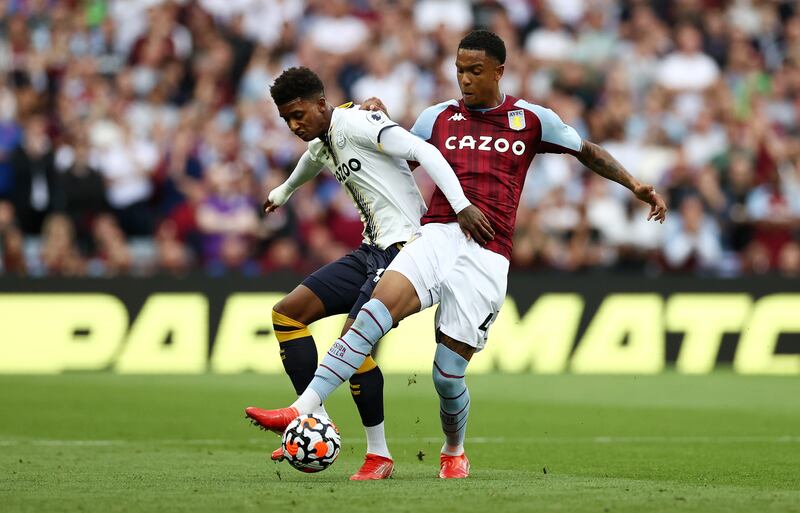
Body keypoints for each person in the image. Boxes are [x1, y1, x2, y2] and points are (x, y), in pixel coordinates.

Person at [246, 30, 667, 479]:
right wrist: (371, 120)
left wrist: (634, 185)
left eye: (475, 71)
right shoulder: (437, 117)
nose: (464, 79)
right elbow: (395, 157)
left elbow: (587, 151)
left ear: (499, 71)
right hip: (435, 235)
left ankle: (454, 448)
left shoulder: (531, 119)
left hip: (487, 253)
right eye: (459, 70)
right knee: (371, 316)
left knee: (447, 375)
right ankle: (303, 410)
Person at [253, 67, 491, 480]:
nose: (294, 125)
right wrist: (283, 192)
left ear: (321, 103)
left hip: (405, 250)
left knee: (354, 341)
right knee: (287, 314)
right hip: (370, 250)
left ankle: (377, 454)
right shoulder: (322, 141)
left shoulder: (362, 122)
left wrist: (461, 205)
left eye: (298, 114)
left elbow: (425, 152)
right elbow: (310, 162)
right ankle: (314, 421)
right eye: (286, 119)